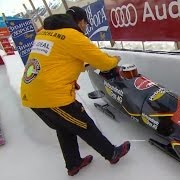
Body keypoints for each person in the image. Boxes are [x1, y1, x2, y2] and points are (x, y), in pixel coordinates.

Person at [20, 6, 130, 176]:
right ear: (81, 21)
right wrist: (115, 59)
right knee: (84, 124)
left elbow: (55, 61)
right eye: (86, 23)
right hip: (51, 97)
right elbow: (104, 63)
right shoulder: (74, 36)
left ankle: (73, 164)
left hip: (31, 93)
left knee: (64, 127)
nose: (86, 27)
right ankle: (112, 153)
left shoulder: (44, 32)